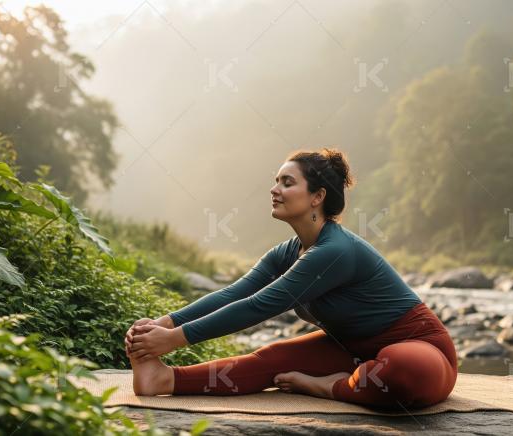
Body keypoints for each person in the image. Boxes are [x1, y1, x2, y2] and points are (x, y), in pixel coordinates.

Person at [124, 147, 457, 410]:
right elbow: (234, 294)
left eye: (287, 182)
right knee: (271, 360)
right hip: (352, 351)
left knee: (402, 369)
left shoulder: (336, 250)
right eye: (276, 181)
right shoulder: (288, 251)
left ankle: (329, 386)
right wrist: (163, 325)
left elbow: (260, 305)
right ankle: (163, 380)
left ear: (317, 197)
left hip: (421, 349)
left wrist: (175, 339)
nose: (274, 189)